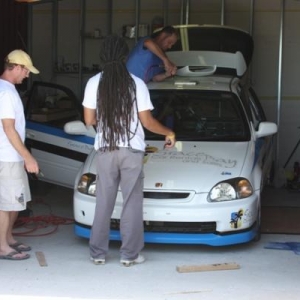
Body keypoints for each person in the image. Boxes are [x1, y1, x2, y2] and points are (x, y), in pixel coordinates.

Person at [83, 35, 176, 267]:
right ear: (125, 57)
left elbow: (88, 119)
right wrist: (168, 132)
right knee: (132, 203)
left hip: (105, 149)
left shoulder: (94, 82)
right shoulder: (136, 83)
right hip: (131, 151)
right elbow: (148, 122)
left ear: (103, 56)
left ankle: (98, 253)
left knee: (103, 202)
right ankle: (129, 255)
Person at [0, 49, 40, 261]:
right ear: (16, 67)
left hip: (11, 156)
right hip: (7, 157)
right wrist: (28, 157)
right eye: (26, 70)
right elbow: (8, 129)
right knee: (6, 203)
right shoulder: (5, 93)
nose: (27, 75)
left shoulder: (7, 90)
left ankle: (8, 239)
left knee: (15, 202)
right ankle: (2, 247)